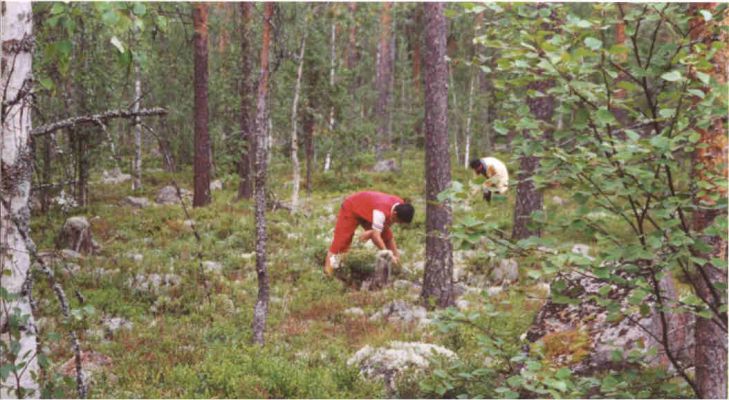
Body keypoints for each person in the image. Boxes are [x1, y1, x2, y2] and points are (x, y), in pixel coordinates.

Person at [324, 191, 414, 276]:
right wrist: (387, 254)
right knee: (341, 242)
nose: (396, 223)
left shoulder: (400, 205)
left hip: (369, 211)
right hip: (351, 207)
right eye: (398, 221)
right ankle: (328, 273)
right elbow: (376, 237)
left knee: (387, 236)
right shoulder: (380, 212)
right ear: (394, 213)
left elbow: (385, 233)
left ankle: (398, 266)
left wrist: (373, 232)